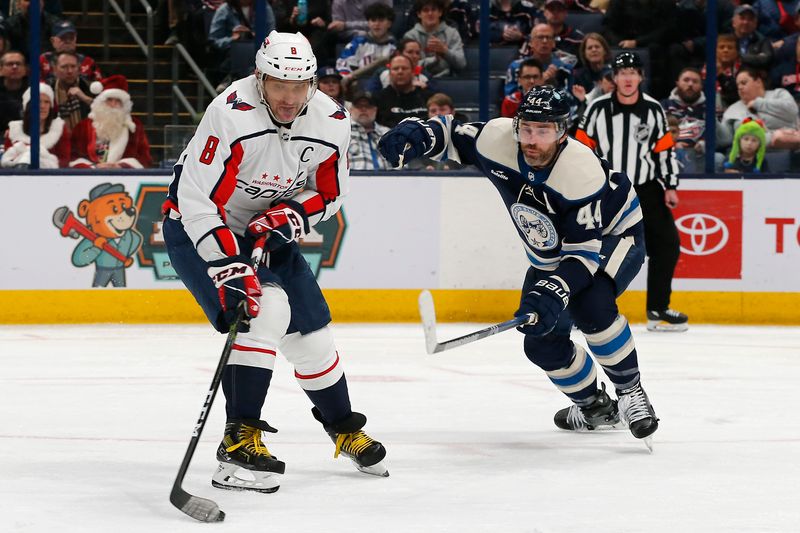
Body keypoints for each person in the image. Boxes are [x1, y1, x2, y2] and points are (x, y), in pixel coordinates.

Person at [161, 31, 388, 493]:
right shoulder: (229, 112)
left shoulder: (332, 120)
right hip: (199, 228)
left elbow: (330, 191)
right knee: (267, 311)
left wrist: (294, 212)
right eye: (279, 85)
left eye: (299, 85)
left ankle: (343, 428)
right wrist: (228, 264)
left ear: (313, 82)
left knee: (313, 337)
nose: (289, 97)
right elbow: (194, 196)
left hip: (268, 232)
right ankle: (238, 443)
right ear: (259, 78)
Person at [377, 85, 659, 447]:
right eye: (526, 128)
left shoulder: (581, 172)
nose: (532, 139)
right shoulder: (497, 140)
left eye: (543, 131)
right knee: (540, 343)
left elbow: (582, 256)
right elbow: (451, 133)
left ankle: (631, 392)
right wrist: (418, 132)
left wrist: (555, 289)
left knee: (590, 306)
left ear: (562, 131)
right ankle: (595, 406)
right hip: (557, 250)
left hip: (614, 236)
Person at [575, 52, 688, 332]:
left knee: (667, 245)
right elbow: (581, 149)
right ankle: (582, 310)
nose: (627, 77)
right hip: (607, 189)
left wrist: (670, 185)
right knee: (592, 248)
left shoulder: (653, 109)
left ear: (640, 77)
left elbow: (663, 151)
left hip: (646, 189)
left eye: (633, 72)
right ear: (613, 77)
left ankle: (657, 308)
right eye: (622, 72)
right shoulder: (597, 108)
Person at [70, 75, 152, 168]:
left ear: (124, 105)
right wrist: (92, 168)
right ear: (101, 102)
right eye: (109, 100)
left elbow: (145, 159)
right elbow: (73, 157)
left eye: (118, 101)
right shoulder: (83, 127)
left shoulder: (134, 127)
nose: (113, 105)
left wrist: (121, 166)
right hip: (90, 178)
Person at [718, 66, 800, 152]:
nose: (740, 87)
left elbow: (792, 110)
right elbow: (726, 139)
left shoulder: (778, 94)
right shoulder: (733, 110)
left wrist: (758, 103)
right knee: (742, 127)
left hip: (791, 148)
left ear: (758, 82)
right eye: (738, 85)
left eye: (743, 83)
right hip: (752, 152)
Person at [2, 82, 69, 168]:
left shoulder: (59, 128)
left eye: (47, 102)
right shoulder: (15, 129)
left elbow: (64, 161)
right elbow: (7, 160)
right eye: (38, 101)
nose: (42, 106)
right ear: (28, 105)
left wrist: (42, 160)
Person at [403, 0, 466, 77]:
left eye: (433, 10)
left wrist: (445, 51)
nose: (430, 13)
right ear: (419, 14)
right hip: (419, 78)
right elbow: (407, 65)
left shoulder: (452, 33)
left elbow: (461, 64)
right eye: (426, 10)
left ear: (440, 12)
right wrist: (434, 60)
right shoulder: (410, 36)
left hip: (447, 79)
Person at [335, 2, 396, 80]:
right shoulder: (357, 43)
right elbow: (342, 65)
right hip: (359, 84)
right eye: (373, 20)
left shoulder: (394, 47)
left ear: (389, 24)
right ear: (368, 23)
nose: (377, 24)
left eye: (381, 20)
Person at [374, 53, 432, 127]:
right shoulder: (378, 99)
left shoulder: (427, 97)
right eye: (395, 69)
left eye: (404, 68)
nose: (400, 72)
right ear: (389, 74)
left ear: (413, 72)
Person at [40, 20, 102, 85]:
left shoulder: (88, 62)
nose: (68, 41)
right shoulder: (43, 60)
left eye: (71, 38)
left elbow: (100, 88)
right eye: (63, 38)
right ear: (53, 41)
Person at [347, 90, 392, 170]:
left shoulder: (388, 133)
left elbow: (401, 164)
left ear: (375, 110)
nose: (364, 109)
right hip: (353, 180)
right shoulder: (343, 132)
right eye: (359, 106)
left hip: (391, 180)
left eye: (368, 106)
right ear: (351, 110)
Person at [50, 51, 94, 130]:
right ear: (55, 69)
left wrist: (85, 98)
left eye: (73, 66)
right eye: (64, 67)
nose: (70, 71)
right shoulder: (47, 91)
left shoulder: (91, 88)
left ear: (79, 68)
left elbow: (106, 112)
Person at [0, 49, 28, 135]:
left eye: (18, 64)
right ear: (0, 69)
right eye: (10, 64)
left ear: (25, 69)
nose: (14, 67)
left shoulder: (34, 91)